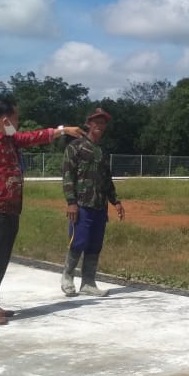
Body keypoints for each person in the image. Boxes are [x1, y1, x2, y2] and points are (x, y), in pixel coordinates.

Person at [0, 97, 83, 325]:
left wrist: (63, 130)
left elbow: (35, 137)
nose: (18, 123)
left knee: (1, 258)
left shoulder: (9, 139)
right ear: (5, 119)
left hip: (11, 209)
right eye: (16, 118)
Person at [61, 107, 125, 297]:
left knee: (95, 244)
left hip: (99, 206)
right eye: (96, 122)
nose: (99, 125)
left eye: (103, 122)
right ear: (88, 124)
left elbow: (107, 180)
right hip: (81, 205)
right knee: (78, 241)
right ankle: (67, 277)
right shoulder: (75, 147)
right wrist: (71, 202)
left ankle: (88, 282)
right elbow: (67, 176)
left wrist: (116, 201)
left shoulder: (101, 152)